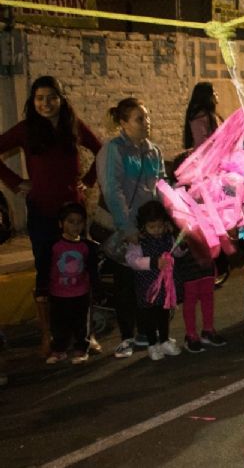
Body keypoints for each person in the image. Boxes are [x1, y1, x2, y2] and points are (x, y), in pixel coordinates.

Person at [0, 76, 101, 356]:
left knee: (81, 271)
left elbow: (100, 150)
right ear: (33, 102)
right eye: (40, 98)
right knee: (46, 273)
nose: (46, 103)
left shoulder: (73, 125)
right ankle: (49, 336)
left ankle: (85, 334)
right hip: (42, 211)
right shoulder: (25, 129)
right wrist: (15, 181)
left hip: (73, 212)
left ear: (61, 99)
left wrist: (89, 180)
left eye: (51, 97)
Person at [97, 98, 165, 358]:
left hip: (149, 227)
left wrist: (163, 219)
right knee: (125, 283)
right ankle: (126, 336)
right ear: (123, 123)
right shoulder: (113, 150)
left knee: (146, 281)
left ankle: (145, 333)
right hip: (123, 227)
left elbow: (160, 185)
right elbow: (113, 191)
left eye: (147, 117)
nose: (146, 122)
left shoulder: (153, 151)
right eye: (139, 118)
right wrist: (127, 227)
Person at [125, 201, 183, 361]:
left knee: (164, 312)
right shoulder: (138, 241)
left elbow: (177, 252)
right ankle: (152, 344)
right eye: (152, 227)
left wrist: (180, 245)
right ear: (143, 226)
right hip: (147, 285)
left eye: (160, 226)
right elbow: (131, 259)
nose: (157, 230)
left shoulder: (168, 237)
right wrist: (153, 262)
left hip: (165, 284)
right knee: (149, 315)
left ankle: (164, 340)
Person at [45, 202, 99, 365]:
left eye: (79, 222)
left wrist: (96, 289)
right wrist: (42, 289)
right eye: (71, 221)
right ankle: (59, 350)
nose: (75, 226)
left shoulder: (87, 246)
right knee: (59, 324)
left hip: (80, 292)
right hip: (58, 293)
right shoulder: (53, 246)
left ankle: (81, 349)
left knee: (81, 323)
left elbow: (92, 270)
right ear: (61, 223)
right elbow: (44, 267)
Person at [177, 231, 226, 354]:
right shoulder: (180, 221)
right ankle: (191, 335)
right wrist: (184, 242)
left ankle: (208, 330)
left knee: (208, 299)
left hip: (206, 268)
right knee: (190, 303)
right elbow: (176, 251)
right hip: (189, 271)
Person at [182, 82, 221, 149]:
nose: (217, 94)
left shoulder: (212, 115)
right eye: (213, 92)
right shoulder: (199, 118)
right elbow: (201, 143)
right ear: (206, 96)